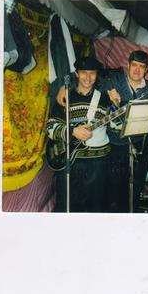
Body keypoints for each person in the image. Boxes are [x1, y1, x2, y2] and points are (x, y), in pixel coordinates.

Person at [56, 50, 148, 212]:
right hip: (114, 143)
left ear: (147, 69)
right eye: (134, 65)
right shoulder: (113, 80)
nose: (137, 70)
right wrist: (63, 86)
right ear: (128, 65)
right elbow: (86, 75)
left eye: (142, 67)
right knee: (110, 191)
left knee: (133, 188)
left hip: (136, 141)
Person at [47, 56, 111, 212]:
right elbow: (50, 127)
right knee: (67, 207)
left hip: (99, 162)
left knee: (96, 208)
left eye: (92, 73)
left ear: (97, 75)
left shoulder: (105, 98)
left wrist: (120, 108)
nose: (88, 78)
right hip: (70, 162)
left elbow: (116, 127)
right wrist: (72, 131)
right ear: (76, 74)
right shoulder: (65, 97)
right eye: (83, 73)